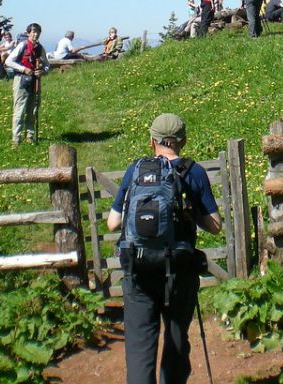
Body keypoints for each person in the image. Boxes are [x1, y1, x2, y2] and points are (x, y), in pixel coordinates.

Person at [107, 113, 222, 384]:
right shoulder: (193, 172)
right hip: (178, 273)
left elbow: (113, 223)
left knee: (139, 348)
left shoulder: (136, 169)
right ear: (183, 141)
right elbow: (215, 225)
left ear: (152, 141)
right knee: (176, 342)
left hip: (138, 271)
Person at [5, 23, 49, 146]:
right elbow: (9, 61)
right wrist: (23, 69)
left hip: (35, 81)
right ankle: (16, 139)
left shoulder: (40, 48)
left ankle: (30, 136)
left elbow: (46, 65)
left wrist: (42, 71)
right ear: (28, 33)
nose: (35, 34)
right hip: (21, 80)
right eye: (33, 32)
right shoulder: (22, 45)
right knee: (19, 110)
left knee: (33, 109)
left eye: (38, 32)